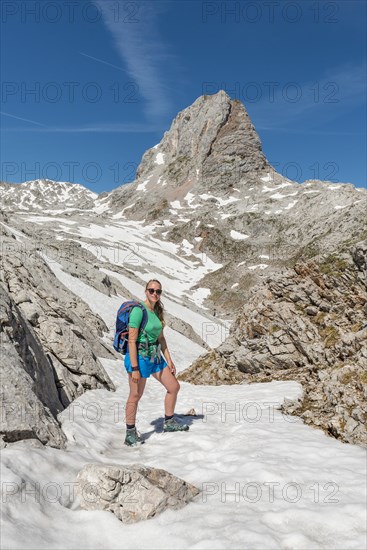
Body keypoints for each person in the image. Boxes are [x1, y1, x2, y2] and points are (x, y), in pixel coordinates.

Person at [124, 278, 189, 446]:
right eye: (151, 290)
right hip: (139, 358)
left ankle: (169, 422)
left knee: (174, 387)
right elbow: (131, 341)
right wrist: (135, 368)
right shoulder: (139, 311)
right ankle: (130, 433)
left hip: (155, 357)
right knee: (135, 395)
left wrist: (169, 359)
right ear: (146, 291)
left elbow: (161, 338)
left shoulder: (157, 311)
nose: (155, 293)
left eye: (158, 291)